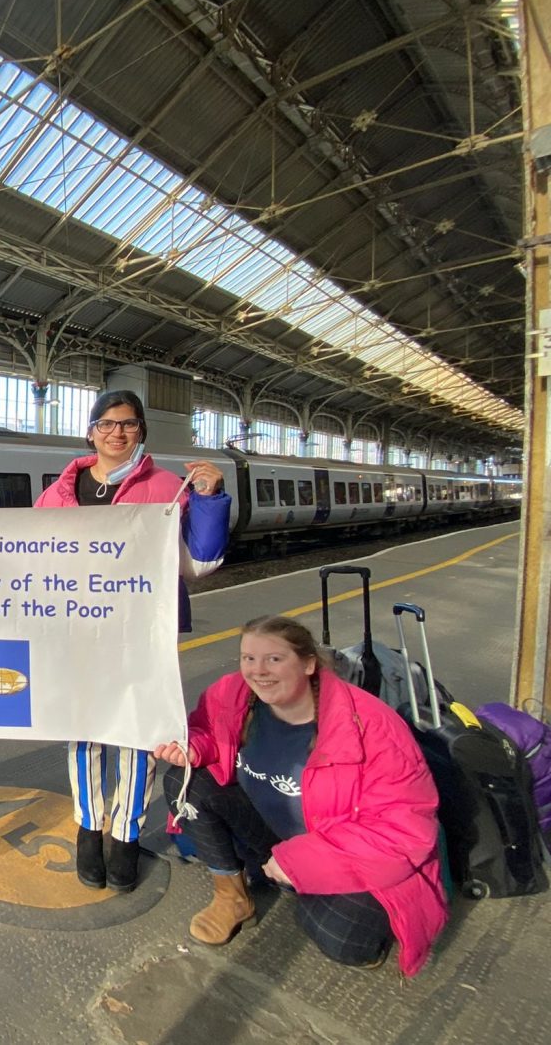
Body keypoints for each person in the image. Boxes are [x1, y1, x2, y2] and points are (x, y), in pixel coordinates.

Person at [153, 615, 446, 976]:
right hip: (271, 835)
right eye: (248, 658)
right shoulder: (233, 695)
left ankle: (306, 892)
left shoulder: (371, 726)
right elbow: (210, 733)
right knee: (185, 781)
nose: (258, 671)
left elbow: (402, 831)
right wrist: (193, 749)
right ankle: (233, 897)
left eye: (274, 659)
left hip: (339, 849)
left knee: (338, 936)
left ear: (308, 664)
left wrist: (302, 861)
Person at [34, 389, 230, 892]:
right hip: (78, 628)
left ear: (141, 431)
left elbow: (199, 564)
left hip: (144, 632)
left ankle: (125, 833)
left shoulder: (169, 485)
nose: (117, 433)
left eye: (128, 424)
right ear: (91, 430)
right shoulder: (59, 491)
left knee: (137, 732)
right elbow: (33, 558)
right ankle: (89, 825)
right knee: (84, 729)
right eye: (107, 423)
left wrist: (209, 499)